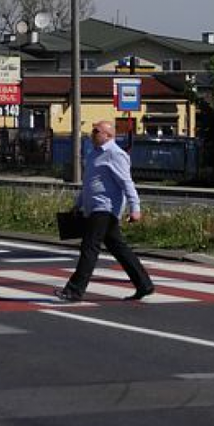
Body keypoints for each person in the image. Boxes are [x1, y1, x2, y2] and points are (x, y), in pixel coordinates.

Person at [57, 120, 155, 302]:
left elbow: (127, 183)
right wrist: (78, 204)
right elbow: (90, 184)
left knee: (89, 247)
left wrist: (135, 208)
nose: (92, 134)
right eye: (93, 131)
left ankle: (74, 290)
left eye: (96, 131)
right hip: (94, 207)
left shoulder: (115, 154)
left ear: (109, 136)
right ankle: (144, 284)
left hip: (105, 208)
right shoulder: (94, 154)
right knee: (118, 248)